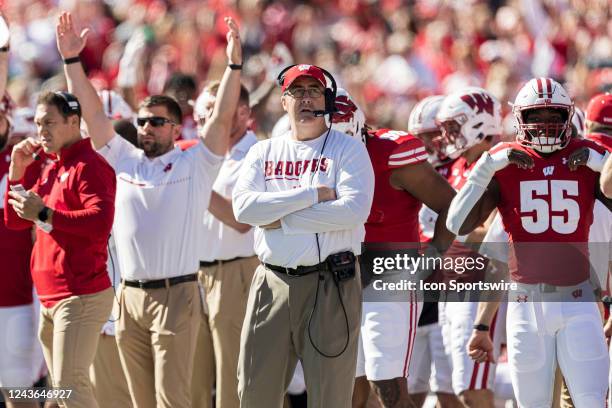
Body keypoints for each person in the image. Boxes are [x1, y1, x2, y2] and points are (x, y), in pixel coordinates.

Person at [55, 11, 243, 408]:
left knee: (172, 400)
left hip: (177, 294)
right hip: (130, 299)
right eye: (143, 121)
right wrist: (72, 61)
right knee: (142, 403)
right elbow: (91, 111)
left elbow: (223, 116)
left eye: (158, 122)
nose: (147, 128)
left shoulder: (196, 163)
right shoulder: (124, 160)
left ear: (178, 130)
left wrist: (234, 65)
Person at [448, 78, 611, 408]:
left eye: (554, 116)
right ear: (521, 118)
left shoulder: (588, 157)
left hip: (578, 300)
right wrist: (487, 167)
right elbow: (456, 225)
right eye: (537, 115)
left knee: (591, 401)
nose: (546, 124)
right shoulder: (503, 161)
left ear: (569, 118)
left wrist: (603, 164)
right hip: (524, 303)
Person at [232, 64, 374, 407]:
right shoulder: (263, 151)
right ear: (284, 101)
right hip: (272, 281)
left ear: (326, 99)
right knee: (254, 394)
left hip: (331, 283)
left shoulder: (349, 149)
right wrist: (309, 196)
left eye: (313, 91)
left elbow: (354, 211)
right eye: (297, 91)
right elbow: (244, 209)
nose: (306, 99)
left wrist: (282, 220)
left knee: (330, 397)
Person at [337, 90, 456, 408]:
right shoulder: (307, 153)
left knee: (386, 385)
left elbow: (452, 206)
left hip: (388, 273)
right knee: (346, 385)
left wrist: (431, 255)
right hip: (337, 276)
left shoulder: (392, 153)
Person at [5, 88, 116, 408]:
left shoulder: (89, 165)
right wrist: (16, 174)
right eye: (39, 123)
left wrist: (45, 214)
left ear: (73, 121)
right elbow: (16, 221)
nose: (41, 131)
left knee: (71, 385)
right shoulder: (52, 166)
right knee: (63, 393)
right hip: (53, 295)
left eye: (49, 123)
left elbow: (100, 222)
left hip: (80, 293)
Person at [435, 87, 504, 408]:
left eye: (453, 126)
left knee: (474, 391)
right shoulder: (462, 165)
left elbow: (498, 236)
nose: (447, 135)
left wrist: (456, 234)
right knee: (456, 391)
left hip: (478, 289)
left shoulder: (495, 164)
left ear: (479, 124)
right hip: (452, 289)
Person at [192, 80, 257, 408]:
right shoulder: (202, 157)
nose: (207, 122)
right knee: (193, 378)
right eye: (201, 116)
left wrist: (196, 182)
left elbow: (241, 219)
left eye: (215, 113)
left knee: (235, 377)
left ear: (243, 113)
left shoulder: (258, 154)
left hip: (236, 273)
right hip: (194, 275)